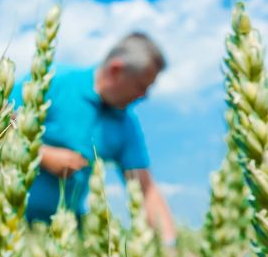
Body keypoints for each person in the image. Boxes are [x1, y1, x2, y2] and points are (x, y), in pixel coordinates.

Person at [10, 32, 177, 244]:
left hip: (62, 236)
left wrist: (170, 245)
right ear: (116, 70)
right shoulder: (55, 81)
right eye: (141, 86)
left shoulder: (126, 123)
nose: (145, 96)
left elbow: (145, 189)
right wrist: (43, 155)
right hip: (3, 221)